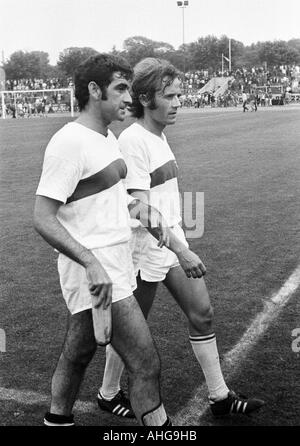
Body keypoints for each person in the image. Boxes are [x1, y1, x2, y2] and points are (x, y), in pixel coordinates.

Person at [97, 58, 265, 420]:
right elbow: (138, 209)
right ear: (144, 98)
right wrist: (181, 249)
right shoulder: (133, 141)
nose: (178, 103)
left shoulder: (158, 134)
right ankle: (108, 393)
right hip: (144, 249)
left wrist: (179, 244)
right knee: (131, 328)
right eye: (169, 96)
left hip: (170, 240)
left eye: (179, 95)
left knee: (202, 313)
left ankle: (219, 396)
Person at [34, 53, 176, 427]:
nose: (129, 97)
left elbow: (108, 198)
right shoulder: (69, 142)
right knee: (146, 363)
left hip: (116, 263)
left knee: (77, 354)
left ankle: (56, 419)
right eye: (120, 88)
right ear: (94, 90)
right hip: (96, 271)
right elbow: (42, 217)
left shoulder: (108, 137)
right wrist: (91, 264)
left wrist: (141, 210)